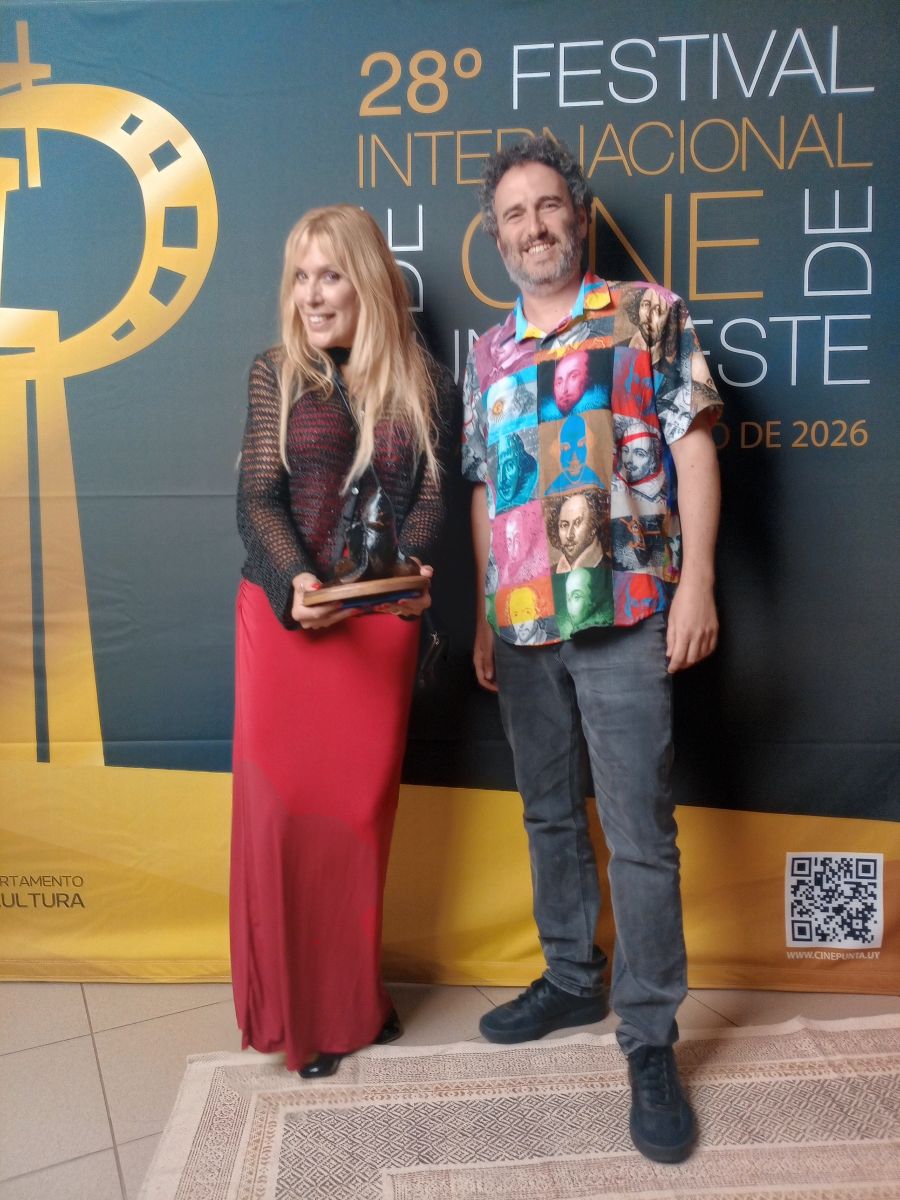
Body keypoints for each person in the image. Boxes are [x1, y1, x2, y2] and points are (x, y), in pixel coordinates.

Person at [462, 136, 722, 1164]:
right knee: (546, 813)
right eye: (513, 214)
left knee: (639, 830)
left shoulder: (647, 313)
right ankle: (574, 977)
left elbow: (693, 444)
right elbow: (485, 489)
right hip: (522, 620)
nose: (533, 226)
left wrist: (697, 583)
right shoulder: (486, 352)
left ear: (577, 212)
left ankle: (649, 1036)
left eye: (546, 206)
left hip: (625, 605)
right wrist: (485, 611)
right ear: (497, 237)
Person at [231, 205, 456, 1080]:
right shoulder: (276, 372)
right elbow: (258, 498)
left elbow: (431, 498)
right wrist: (297, 584)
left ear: (367, 281)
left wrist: (408, 573)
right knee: (287, 822)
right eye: (301, 276)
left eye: (330, 274)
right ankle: (300, 1016)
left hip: (380, 629)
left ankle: (355, 1000)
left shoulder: (426, 382)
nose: (313, 295)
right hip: (286, 622)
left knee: (358, 825)